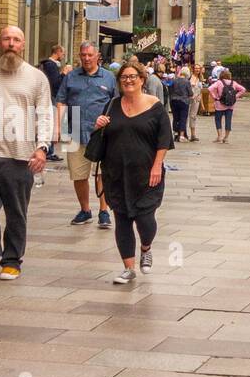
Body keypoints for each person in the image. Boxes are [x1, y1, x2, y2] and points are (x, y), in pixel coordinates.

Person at [86, 61, 173, 285]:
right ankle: (128, 268)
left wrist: (157, 166)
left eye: (133, 76)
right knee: (122, 219)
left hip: (146, 173)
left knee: (145, 219)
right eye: (124, 77)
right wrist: (98, 125)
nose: (128, 80)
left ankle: (146, 247)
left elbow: (164, 140)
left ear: (142, 79)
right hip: (115, 173)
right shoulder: (112, 105)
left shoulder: (155, 106)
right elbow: (102, 135)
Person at [0, 27, 53, 281]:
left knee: (16, 212)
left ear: (23, 45)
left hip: (22, 156)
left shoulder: (36, 78)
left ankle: (12, 260)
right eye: (7, 39)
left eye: (16, 40)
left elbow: (44, 114)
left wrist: (42, 147)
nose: (11, 43)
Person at [55, 41, 120, 230]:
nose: (86, 58)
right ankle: (85, 210)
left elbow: (116, 104)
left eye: (89, 55)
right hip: (73, 126)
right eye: (83, 55)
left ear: (97, 55)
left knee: (102, 173)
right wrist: (57, 126)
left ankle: (104, 211)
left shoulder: (108, 77)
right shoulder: (71, 77)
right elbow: (61, 101)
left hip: (101, 131)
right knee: (78, 174)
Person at [37, 44, 66, 161]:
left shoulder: (46, 64)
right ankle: (49, 152)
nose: (63, 56)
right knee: (52, 122)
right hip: (51, 97)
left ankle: (48, 150)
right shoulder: (51, 65)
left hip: (48, 96)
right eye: (63, 53)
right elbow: (55, 84)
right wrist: (64, 74)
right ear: (57, 52)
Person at [210, 70, 245, 142]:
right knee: (228, 120)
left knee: (218, 120)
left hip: (220, 104)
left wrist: (214, 97)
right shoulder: (234, 83)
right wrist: (236, 96)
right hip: (230, 105)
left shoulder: (219, 82)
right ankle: (226, 138)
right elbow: (243, 89)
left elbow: (210, 89)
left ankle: (219, 136)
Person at [168, 67, 193, 142]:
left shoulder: (174, 80)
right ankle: (181, 135)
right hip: (184, 101)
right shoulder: (187, 81)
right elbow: (190, 93)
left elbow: (170, 90)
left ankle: (175, 133)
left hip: (173, 101)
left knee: (175, 118)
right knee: (183, 118)